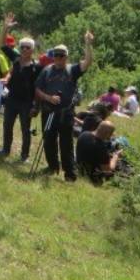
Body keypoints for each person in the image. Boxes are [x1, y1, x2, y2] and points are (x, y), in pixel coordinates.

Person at [35, 32, 94, 181]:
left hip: (66, 113)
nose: (59, 58)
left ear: (66, 56)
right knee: (48, 140)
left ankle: (70, 173)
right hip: (48, 112)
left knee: (66, 144)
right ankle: (53, 166)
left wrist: (88, 44)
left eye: (62, 55)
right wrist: (48, 98)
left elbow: (87, 62)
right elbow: (37, 89)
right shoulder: (46, 70)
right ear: (53, 56)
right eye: (56, 55)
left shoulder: (72, 70)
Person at [1, 37, 41, 162]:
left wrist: (36, 106)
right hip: (12, 99)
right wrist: (5, 28)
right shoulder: (16, 59)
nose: (24, 49)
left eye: (27, 47)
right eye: (22, 47)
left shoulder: (37, 67)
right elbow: (2, 45)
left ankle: (24, 155)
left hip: (27, 102)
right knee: (7, 125)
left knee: (25, 129)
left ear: (32, 50)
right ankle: (5, 150)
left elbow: (38, 89)